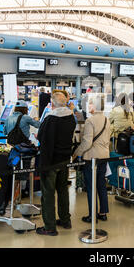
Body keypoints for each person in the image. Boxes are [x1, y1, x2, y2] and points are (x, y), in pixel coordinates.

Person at [36, 92, 76, 236]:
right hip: (64, 159)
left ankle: (50, 227)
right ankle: (65, 220)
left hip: (50, 162)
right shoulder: (71, 117)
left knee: (48, 193)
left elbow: (43, 139)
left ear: (52, 104)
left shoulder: (50, 119)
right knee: (63, 190)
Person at [72, 94, 111, 223]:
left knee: (91, 187)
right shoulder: (107, 119)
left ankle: (92, 216)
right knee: (101, 185)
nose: (88, 106)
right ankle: (103, 213)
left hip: (92, 157)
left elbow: (87, 143)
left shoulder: (90, 121)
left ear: (95, 106)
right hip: (104, 156)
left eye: (90, 104)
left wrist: (76, 153)